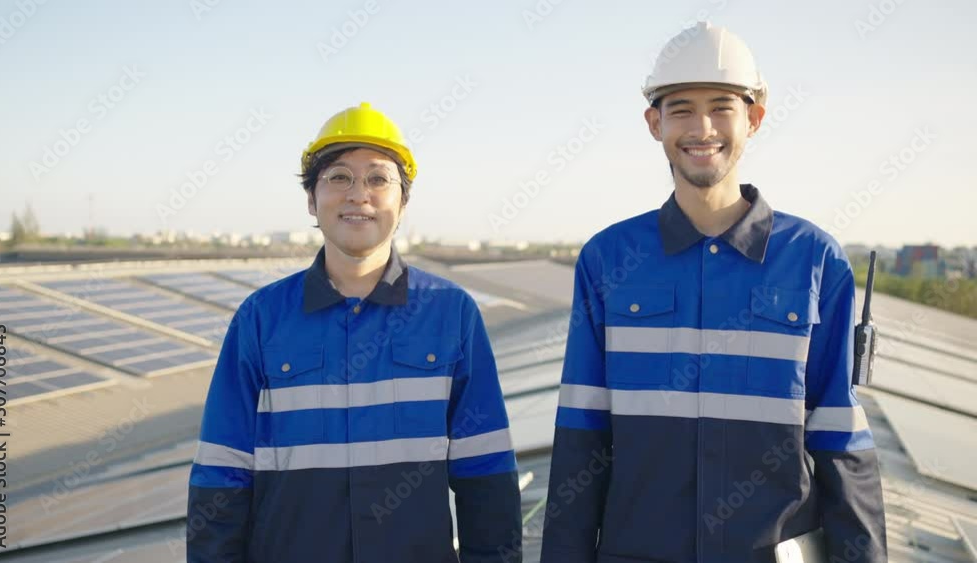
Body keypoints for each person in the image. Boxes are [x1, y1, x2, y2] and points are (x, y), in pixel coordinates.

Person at [540, 22, 886, 563]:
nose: (702, 127)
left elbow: (841, 437)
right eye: (680, 109)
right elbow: (583, 433)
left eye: (722, 106)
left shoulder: (816, 259)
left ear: (755, 119)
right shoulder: (608, 260)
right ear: (654, 123)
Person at [187, 102, 522, 562]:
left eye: (378, 179)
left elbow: (485, 474)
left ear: (402, 201)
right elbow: (221, 473)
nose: (358, 194)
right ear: (311, 199)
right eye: (339, 177)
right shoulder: (259, 319)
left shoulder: (451, 314)